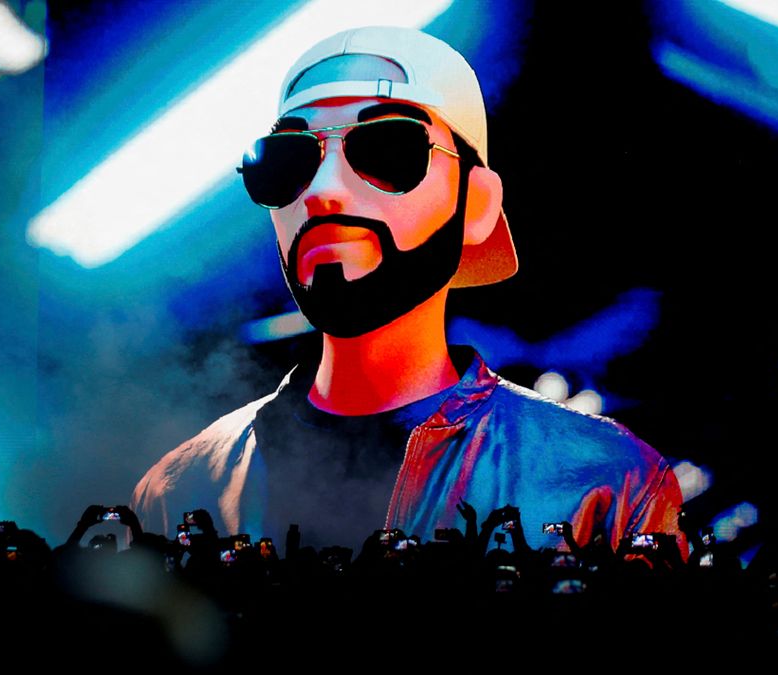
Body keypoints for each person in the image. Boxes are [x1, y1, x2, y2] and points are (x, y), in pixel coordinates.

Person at [133, 26, 688, 559]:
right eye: (286, 162)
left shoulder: (608, 487)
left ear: (477, 204)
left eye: (388, 149)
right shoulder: (177, 492)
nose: (323, 191)